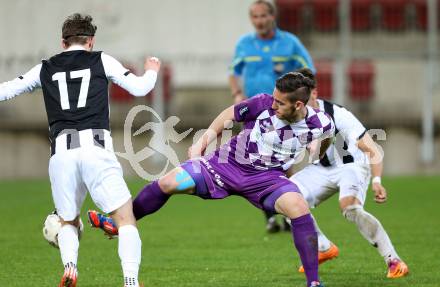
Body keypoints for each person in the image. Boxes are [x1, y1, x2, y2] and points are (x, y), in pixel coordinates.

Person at [89, 72, 335, 287]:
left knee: (299, 208)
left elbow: (326, 138)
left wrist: (318, 151)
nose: (273, 104)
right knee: (167, 183)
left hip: (267, 179)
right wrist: (203, 140)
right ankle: (119, 223)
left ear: (299, 104)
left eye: (280, 103)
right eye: (273, 98)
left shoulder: (321, 122)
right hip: (225, 165)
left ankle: (313, 281)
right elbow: (230, 113)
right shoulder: (262, 103)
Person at [0, 13, 161, 287]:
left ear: (63, 42)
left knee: (67, 221)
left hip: (61, 153)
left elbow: (7, 90)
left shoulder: (45, 67)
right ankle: (131, 281)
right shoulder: (101, 59)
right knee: (125, 218)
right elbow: (140, 87)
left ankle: (71, 268)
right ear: (90, 41)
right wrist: (152, 69)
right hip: (95, 147)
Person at [290, 68, 409, 278]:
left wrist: (377, 180)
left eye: (301, 97)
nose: (296, 104)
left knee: (350, 207)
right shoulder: (292, 117)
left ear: (314, 93)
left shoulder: (338, 114)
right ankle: (323, 247)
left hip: (352, 165)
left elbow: (372, 149)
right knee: (286, 195)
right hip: (322, 168)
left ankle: (394, 261)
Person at [229, 0, 316, 233]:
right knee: (256, 162)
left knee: (285, 164)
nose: (259, 21)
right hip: (255, 113)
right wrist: (237, 94)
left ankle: (288, 212)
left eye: (262, 16)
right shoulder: (244, 44)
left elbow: (309, 71)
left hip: (283, 114)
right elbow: (234, 72)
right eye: (255, 17)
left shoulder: (290, 43)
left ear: (272, 16)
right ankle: (270, 216)